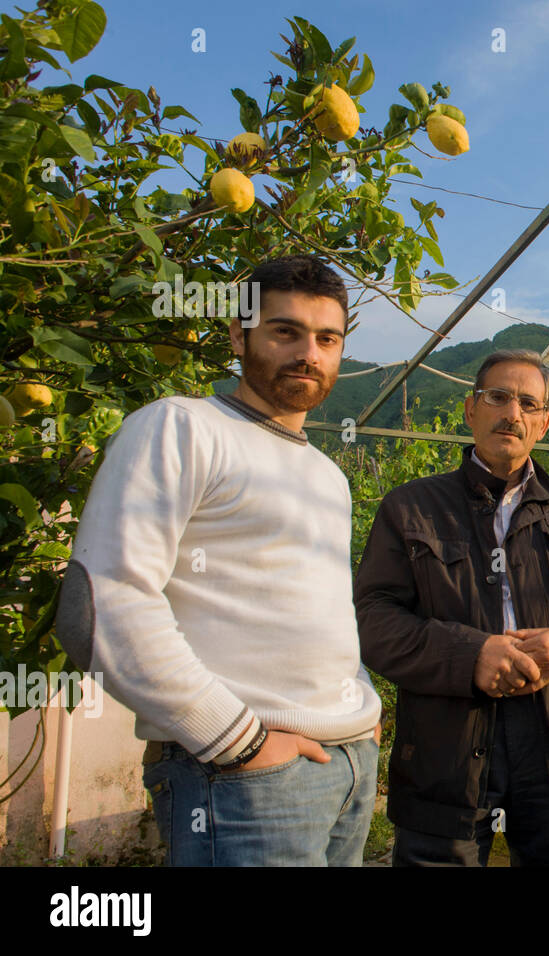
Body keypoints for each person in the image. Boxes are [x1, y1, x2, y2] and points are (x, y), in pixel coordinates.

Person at [55, 255, 382, 866]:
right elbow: (99, 606)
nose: (308, 353)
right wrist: (236, 742)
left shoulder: (327, 474)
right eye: (285, 331)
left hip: (349, 768)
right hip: (241, 780)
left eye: (326, 338)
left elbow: (319, 609)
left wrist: (359, 711)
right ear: (239, 334)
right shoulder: (180, 428)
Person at [354, 348, 549, 867]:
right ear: (471, 409)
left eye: (529, 403)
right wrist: (471, 655)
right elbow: (374, 622)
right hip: (448, 751)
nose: (513, 413)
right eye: (499, 397)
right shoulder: (410, 507)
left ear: (544, 422)